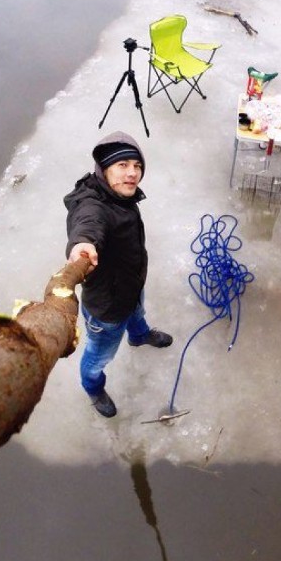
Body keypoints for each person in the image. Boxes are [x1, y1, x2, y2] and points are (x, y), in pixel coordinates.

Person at [65, 131, 173, 418]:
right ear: (104, 169)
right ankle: (93, 388)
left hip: (131, 285)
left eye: (136, 166)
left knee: (138, 313)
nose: (132, 173)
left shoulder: (120, 197)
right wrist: (82, 245)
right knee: (98, 356)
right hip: (108, 309)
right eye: (123, 165)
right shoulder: (94, 204)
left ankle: (139, 336)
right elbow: (87, 224)